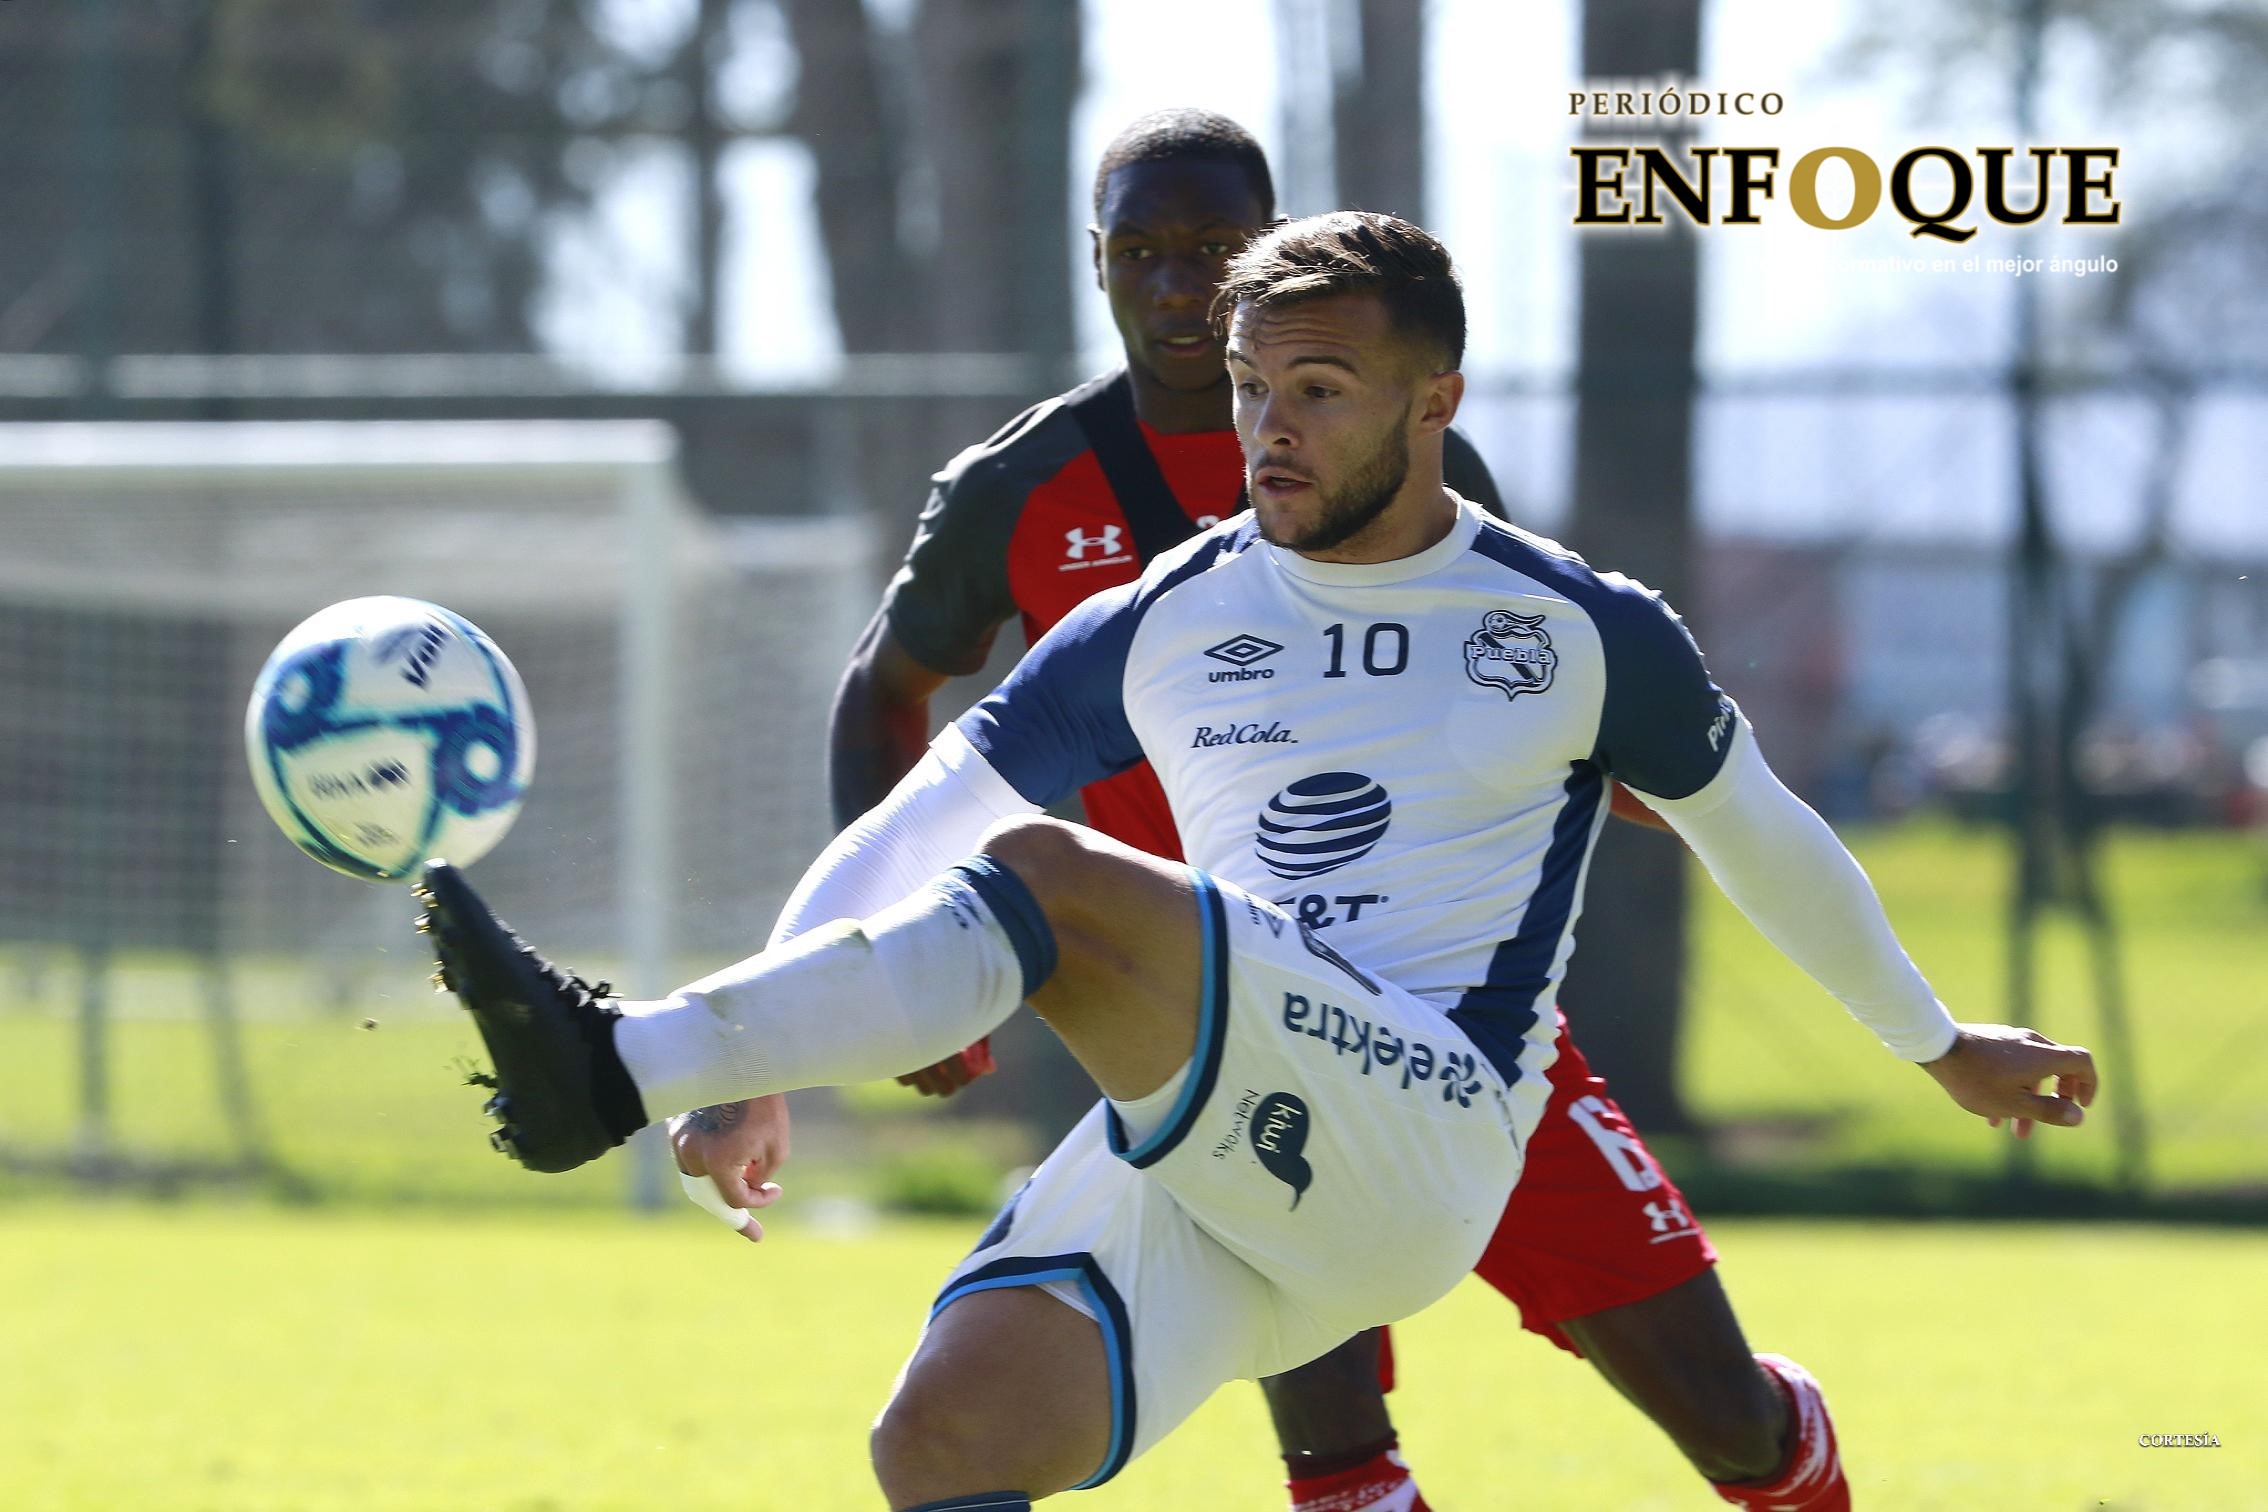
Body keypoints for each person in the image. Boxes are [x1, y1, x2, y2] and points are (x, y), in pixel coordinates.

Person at [419, 209, 2097, 1512]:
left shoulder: (1578, 629)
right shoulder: (1158, 617)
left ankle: (606, 1068)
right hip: (1219, 1151)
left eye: (1317, 391)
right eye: (1245, 392)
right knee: (938, 1442)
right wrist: (758, 1068)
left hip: (1432, 1132)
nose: (1265, 432)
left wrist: (1941, 1045)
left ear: (1435, 400)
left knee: (1062, 884)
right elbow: (907, 823)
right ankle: (647, 1063)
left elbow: (1775, 844)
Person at [829, 109, 1813, 1512]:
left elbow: (1541, 688)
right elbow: (889, 693)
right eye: (1144, 252)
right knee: (1333, 1466)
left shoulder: (1405, 465)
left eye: (1215, 252)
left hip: (1444, 1011)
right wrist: (910, 961)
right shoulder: (1019, 488)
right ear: (1095, 263)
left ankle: (1785, 1454)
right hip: (1198, 1027)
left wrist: (1701, 802)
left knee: (1727, 1423)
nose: (1178, 286)